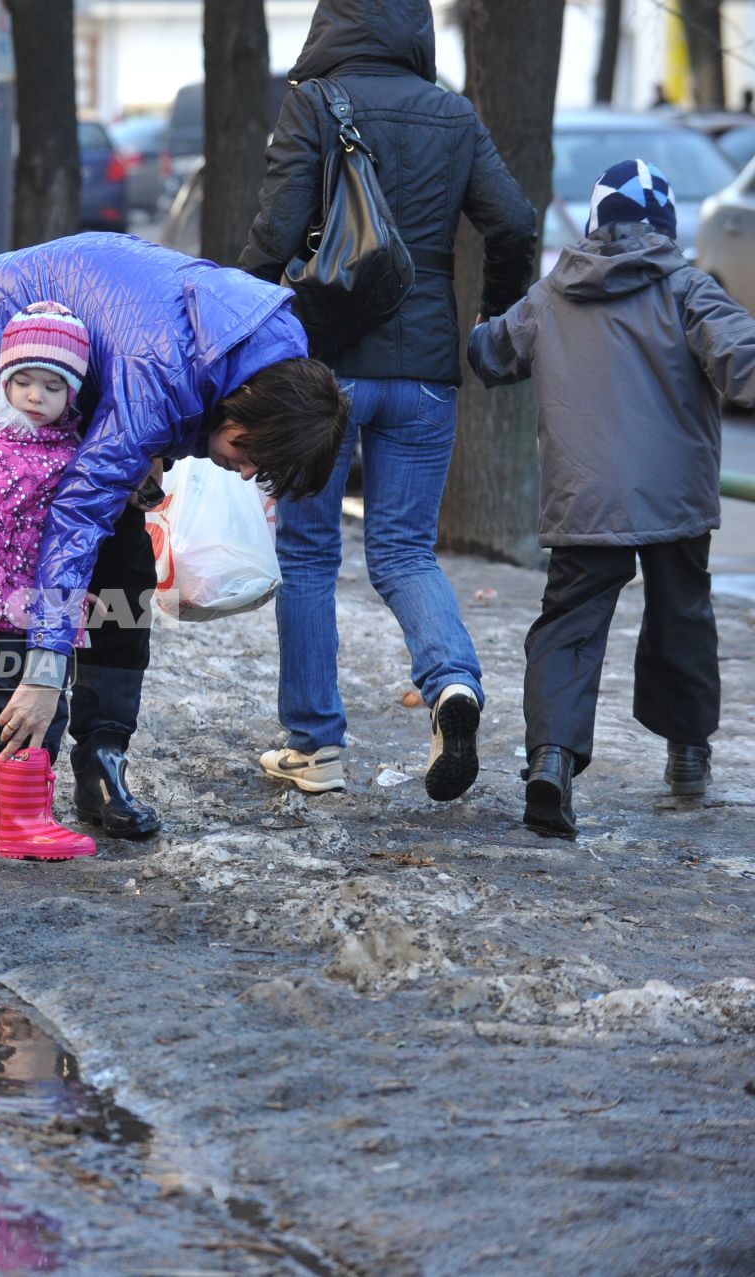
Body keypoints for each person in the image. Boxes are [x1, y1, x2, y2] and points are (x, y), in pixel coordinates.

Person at [0, 233, 348, 840]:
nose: (244, 473)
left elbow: (172, 396)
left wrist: (155, 450)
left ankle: (101, 766)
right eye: (246, 454)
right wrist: (43, 669)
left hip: (100, 365)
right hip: (5, 339)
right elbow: (74, 520)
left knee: (126, 567)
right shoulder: (156, 382)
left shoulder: (283, 361)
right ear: (242, 412)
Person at [240, 0, 536, 800]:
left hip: (322, 370)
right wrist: (491, 311)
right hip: (426, 368)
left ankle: (315, 745)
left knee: (307, 553)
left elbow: (275, 238)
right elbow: (513, 221)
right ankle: (451, 685)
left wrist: (241, 328)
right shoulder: (453, 113)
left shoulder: (313, 102)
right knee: (404, 550)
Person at [468, 160, 752, 838]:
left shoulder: (549, 296)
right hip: (675, 495)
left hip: (583, 494)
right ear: (665, 227)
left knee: (568, 622)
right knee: (681, 615)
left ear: (595, 224)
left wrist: (484, 325)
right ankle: (687, 757)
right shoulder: (688, 288)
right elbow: (741, 358)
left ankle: (552, 761)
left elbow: (490, 354)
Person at [0, 301, 98, 860]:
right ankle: (25, 822)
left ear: (71, 394)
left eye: (52, 386)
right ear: (3, 382)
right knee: (26, 711)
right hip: (1, 609)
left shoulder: (54, 443)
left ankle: (3, 826)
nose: (36, 397)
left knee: (17, 711)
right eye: (24, 382)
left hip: (35, 606)